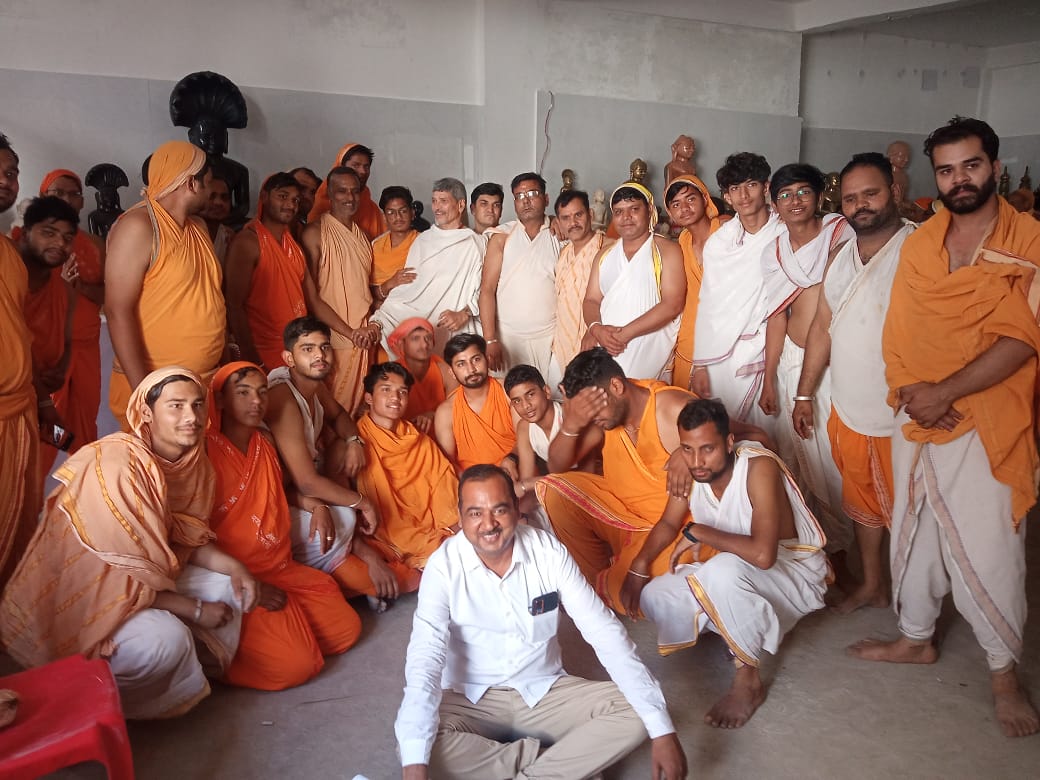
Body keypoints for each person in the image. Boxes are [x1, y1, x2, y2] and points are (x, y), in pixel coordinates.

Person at [852, 117, 1040, 738]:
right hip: (917, 413)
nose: (960, 180)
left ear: (995, 167)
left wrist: (946, 392)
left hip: (985, 417)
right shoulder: (923, 242)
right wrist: (913, 392)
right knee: (914, 527)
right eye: (947, 170)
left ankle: (1003, 673)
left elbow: (1023, 338)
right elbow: (899, 328)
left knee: (990, 545)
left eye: (971, 166)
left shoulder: (1030, 242)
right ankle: (915, 637)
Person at [394, 464, 688, 780]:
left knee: (639, 712)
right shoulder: (443, 566)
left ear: (516, 508)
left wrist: (662, 731)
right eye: (475, 513)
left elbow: (604, 631)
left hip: (542, 691)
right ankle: (554, 761)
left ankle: (534, 769)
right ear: (461, 516)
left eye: (499, 510)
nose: (488, 524)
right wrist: (415, 766)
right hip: (470, 698)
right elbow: (425, 658)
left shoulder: (547, 552)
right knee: (415, 747)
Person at [0, 368, 259, 719]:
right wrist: (196, 610)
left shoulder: (194, 465)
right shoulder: (117, 465)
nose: (192, 417)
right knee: (165, 639)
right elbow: (128, 572)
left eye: (198, 405)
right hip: (87, 594)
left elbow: (185, 539)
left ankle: (191, 674)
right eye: (176, 406)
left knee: (228, 584)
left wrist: (236, 568)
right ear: (147, 413)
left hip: (145, 577)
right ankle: (98, 703)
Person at [623, 399, 827, 729]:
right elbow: (668, 523)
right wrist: (638, 567)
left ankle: (748, 680)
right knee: (654, 596)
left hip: (792, 572)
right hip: (739, 568)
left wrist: (702, 532)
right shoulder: (692, 469)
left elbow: (764, 556)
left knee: (722, 571)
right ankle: (739, 627)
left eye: (707, 449)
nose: (697, 461)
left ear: (730, 442)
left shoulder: (758, 467)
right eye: (687, 450)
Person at [537, 348, 767, 610]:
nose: (592, 417)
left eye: (593, 410)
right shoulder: (604, 418)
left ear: (616, 386)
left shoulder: (673, 408)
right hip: (625, 514)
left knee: (626, 589)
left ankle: (617, 576)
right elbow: (557, 466)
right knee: (554, 491)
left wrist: (688, 451)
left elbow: (754, 436)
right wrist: (572, 424)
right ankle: (596, 584)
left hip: (676, 526)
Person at [794, 153, 913, 613]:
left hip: (902, 411)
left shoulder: (919, 250)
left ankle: (917, 603)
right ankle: (873, 584)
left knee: (911, 510)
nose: (860, 205)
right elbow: (822, 327)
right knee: (862, 502)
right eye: (850, 198)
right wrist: (804, 392)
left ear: (894, 192)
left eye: (871, 194)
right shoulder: (841, 257)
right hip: (848, 405)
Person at [206, 361, 361, 690]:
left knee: (346, 629)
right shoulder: (205, 452)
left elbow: (282, 491)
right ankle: (214, 657)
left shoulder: (265, 444)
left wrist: (315, 505)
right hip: (239, 574)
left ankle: (286, 629)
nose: (256, 401)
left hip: (279, 564)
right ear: (219, 400)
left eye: (262, 392)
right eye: (243, 393)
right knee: (295, 666)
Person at [265, 317, 419, 610]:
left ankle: (357, 562)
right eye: (308, 349)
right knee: (347, 521)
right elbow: (306, 482)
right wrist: (363, 503)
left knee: (340, 450)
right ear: (289, 358)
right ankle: (340, 574)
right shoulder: (282, 396)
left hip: (303, 489)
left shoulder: (314, 385)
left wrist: (354, 441)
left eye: (324, 347)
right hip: (278, 500)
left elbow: (338, 416)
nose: (319, 356)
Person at [759, 163, 856, 557]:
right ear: (774, 205)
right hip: (790, 362)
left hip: (834, 363)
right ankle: (814, 546)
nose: (794, 201)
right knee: (797, 455)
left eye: (802, 191)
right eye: (784, 195)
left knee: (832, 458)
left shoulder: (842, 234)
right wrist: (768, 377)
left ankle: (844, 547)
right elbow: (776, 316)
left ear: (818, 195)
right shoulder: (775, 252)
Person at [104, 140, 225, 430]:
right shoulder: (138, 227)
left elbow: (209, 298)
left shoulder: (199, 228)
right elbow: (118, 310)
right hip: (158, 390)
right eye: (208, 182)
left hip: (203, 383)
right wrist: (145, 394)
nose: (211, 191)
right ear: (192, 183)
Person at [225, 172, 356, 371]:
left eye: (295, 200)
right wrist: (252, 357)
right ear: (264, 197)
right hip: (263, 350)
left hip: (295, 347)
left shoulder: (294, 245)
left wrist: (351, 333)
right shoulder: (248, 242)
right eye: (282, 196)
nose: (290, 204)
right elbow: (234, 305)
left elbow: (313, 300)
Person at [692, 152, 784, 433]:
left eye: (751, 185)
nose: (743, 196)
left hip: (774, 348)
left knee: (773, 432)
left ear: (766, 187)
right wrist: (700, 364)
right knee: (728, 434)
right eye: (735, 188)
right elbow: (708, 304)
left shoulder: (785, 233)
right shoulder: (719, 243)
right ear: (727, 196)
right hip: (721, 356)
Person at [356, 362, 458, 574]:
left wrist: (451, 530)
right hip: (383, 538)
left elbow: (443, 483)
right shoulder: (355, 443)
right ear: (368, 398)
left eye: (402, 392)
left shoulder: (418, 440)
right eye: (386, 390)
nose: (395, 397)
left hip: (433, 534)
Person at [35, 169, 106, 455]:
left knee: (86, 416)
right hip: (49, 348)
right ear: (43, 198)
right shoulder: (26, 242)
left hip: (87, 346)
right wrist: (60, 287)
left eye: (73, 194)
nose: (66, 199)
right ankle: (40, 473)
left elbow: (107, 295)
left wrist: (80, 287)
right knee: (49, 420)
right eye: (58, 193)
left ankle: (81, 474)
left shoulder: (95, 244)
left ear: (82, 201)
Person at [582, 182, 685, 381]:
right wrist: (596, 329)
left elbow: (673, 304)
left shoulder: (667, 250)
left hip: (648, 353)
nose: (626, 217)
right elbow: (591, 300)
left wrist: (624, 335)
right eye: (619, 212)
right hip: (606, 351)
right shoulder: (604, 255)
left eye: (634, 209)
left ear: (650, 211)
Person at [371, 178, 485, 355]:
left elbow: (485, 288)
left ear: (461, 205)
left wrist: (464, 313)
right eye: (434, 201)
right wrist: (380, 319)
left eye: (443, 201)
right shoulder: (423, 240)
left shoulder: (474, 243)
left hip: (457, 326)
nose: (437, 208)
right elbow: (409, 290)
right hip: (424, 329)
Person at [300, 167, 381, 414]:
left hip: (363, 337)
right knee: (331, 414)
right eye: (342, 191)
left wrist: (370, 326)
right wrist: (349, 332)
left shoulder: (363, 237)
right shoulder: (314, 233)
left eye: (355, 191)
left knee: (358, 412)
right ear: (330, 194)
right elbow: (311, 297)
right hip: (334, 338)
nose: (349, 197)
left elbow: (365, 291)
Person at [0, 133, 43, 589]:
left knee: (15, 532)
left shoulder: (9, 256)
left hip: (16, 411)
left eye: (10, 173)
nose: (4, 181)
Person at [18, 196, 78, 480]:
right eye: (49, 233)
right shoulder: (8, 279)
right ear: (25, 232)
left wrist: (60, 372)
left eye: (67, 238)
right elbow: (14, 344)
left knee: (31, 478)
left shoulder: (64, 291)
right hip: (15, 399)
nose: (59, 244)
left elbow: (66, 341)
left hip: (40, 401)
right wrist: (43, 401)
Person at [480, 173, 561, 377]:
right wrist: (490, 339)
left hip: (550, 337)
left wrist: (557, 219)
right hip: (508, 338)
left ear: (546, 199)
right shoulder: (502, 236)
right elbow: (487, 290)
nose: (526, 201)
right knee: (508, 392)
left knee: (548, 391)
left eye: (533, 193)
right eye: (519, 196)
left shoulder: (560, 235)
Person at [665, 175, 726, 390]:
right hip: (690, 336)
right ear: (670, 213)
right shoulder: (682, 241)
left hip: (725, 332)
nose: (684, 208)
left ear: (705, 198)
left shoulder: (726, 231)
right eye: (676, 204)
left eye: (690, 199)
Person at [550, 190, 612, 386]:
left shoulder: (608, 248)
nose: (573, 222)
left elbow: (616, 299)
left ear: (590, 214)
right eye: (566, 218)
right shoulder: (563, 253)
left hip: (593, 340)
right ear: (558, 222)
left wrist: (593, 330)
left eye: (578, 215)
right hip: (561, 342)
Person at [434, 334, 516, 471]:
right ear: (452, 372)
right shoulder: (446, 412)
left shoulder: (508, 390)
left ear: (487, 360)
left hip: (514, 469)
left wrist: (512, 458)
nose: (471, 369)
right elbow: (448, 463)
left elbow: (527, 437)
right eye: (461, 364)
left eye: (476, 359)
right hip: (471, 478)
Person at [386, 317, 457, 432]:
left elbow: (457, 405)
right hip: (402, 434)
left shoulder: (445, 370)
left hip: (441, 432)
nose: (424, 344)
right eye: (415, 338)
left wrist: (434, 414)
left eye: (428, 338)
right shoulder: (391, 372)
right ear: (401, 344)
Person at [307, 143, 386, 239]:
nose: (363, 171)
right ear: (341, 166)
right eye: (356, 165)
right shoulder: (320, 205)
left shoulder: (372, 209)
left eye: (366, 166)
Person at [371, 185, 419, 302]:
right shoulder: (376, 246)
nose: (398, 217)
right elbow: (367, 291)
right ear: (384, 217)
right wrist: (390, 283)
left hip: (413, 306)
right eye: (391, 212)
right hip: (380, 308)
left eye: (403, 211)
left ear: (412, 213)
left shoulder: (423, 242)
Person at [202, 175, 235, 265]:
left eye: (224, 197)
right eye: (211, 196)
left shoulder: (229, 237)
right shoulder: (185, 233)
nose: (219, 202)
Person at [288, 166, 321, 239]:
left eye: (313, 192)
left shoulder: (310, 235)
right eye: (301, 188)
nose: (307, 196)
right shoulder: (266, 229)